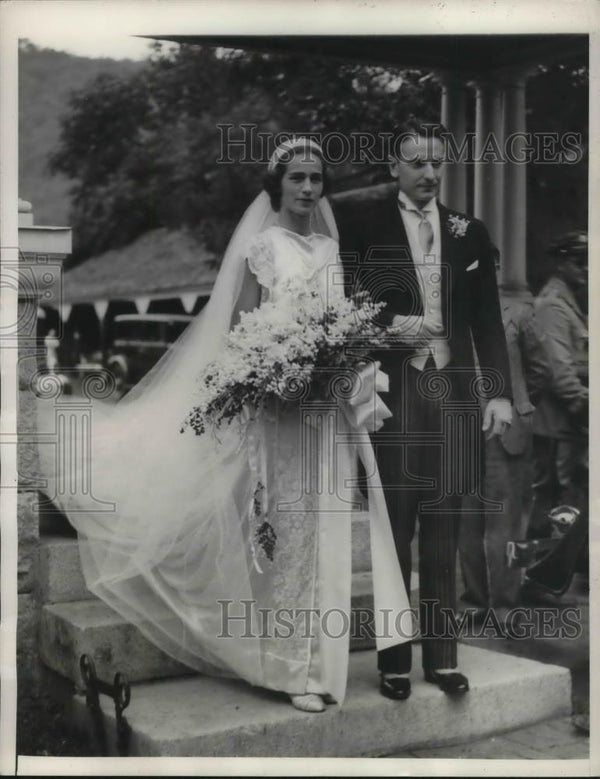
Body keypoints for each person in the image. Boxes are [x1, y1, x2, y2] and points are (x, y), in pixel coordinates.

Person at [49, 137, 410, 715]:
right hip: (279, 413)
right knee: (286, 535)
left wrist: (339, 362)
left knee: (324, 535)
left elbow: (338, 324)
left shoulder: (330, 249)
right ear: (277, 185)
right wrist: (278, 371)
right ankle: (288, 666)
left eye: (316, 178)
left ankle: (322, 663)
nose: (308, 188)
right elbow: (241, 334)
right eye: (297, 178)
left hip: (325, 415)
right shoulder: (263, 249)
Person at [339, 118, 512, 701]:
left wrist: (500, 393)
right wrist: (394, 326)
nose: (430, 172)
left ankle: (441, 658)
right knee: (395, 525)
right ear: (395, 167)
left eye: (437, 162)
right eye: (417, 162)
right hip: (396, 391)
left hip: (454, 391)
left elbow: (487, 319)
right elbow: (348, 305)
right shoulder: (365, 226)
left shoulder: (468, 231)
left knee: (445, 522)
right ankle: (393, 661)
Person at [523, 231, 588, 542]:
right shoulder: (552, 306)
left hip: (567, 424)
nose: (586, 268)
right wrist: (583, 404)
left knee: (563, 501)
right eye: (579, 261)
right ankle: (537, 564)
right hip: (557, 424)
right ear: (561, 264)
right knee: (552, 501)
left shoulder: (568, 303)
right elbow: (558, 371)